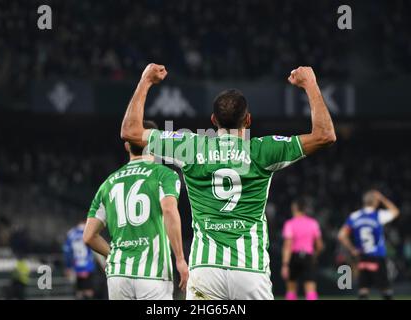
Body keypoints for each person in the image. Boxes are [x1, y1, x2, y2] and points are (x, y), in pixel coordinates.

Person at [121, 63, 335, 299]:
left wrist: (146, 81)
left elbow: (130, 132)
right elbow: (325, 135)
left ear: (214, 119)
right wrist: (310, 84)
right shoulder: (262, 150)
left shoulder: (190, 147)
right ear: (249, 120)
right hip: (250, 270)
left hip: (205, 269)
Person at [83, 120, 188, 300]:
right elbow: (170, 211)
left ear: (127, 145)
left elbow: (89, 236)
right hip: (153, 273)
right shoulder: (165, 175)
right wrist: (180, 258)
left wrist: (113, 255)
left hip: (118, 275)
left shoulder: (108, 183)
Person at [338, 190, 400, 299]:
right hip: (377, 255)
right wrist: (383, 198)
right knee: (385, 290)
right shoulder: (378, 215)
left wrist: (352, 249)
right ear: (376, 202)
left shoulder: (355, 216)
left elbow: (341, 235)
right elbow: (395, 212)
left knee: (363, 290)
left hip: (362, 256)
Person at [281, 197, 323, 300]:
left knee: (291, 289)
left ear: (294, 208)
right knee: (311, 289)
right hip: (308, 256)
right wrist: (315, 255)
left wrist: (285, 264)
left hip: (294, 257)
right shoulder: (313, 223)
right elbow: (319, 245)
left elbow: (287, 245)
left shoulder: (290, 223)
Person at [63, 220, 97, 299]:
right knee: (89, 290)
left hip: (76, 266)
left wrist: (68, 267)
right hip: (88, 265)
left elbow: (67, 251)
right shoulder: (89, 232)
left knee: (79, 291)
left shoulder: (71, 233)